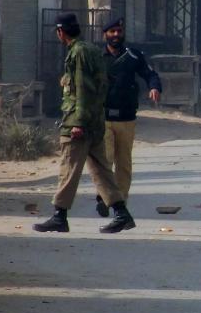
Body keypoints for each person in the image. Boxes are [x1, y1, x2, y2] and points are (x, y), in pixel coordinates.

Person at [33, 13, 137, 234]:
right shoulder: (90, 50)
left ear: (60, 32)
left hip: (79, 122)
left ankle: (59, 216)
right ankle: (121, 214)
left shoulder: (78, 52)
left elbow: (82, 89)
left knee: (69, 169)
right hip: (96, 121)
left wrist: (78, 123)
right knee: (102, 171)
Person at [94, 16, 163, 218]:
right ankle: (104, 197)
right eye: (112, 31)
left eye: (119, 31)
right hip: (103, 117)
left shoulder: (133, 56)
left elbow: (150, 74)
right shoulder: (96, 57)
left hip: (127, 119)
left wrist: (154, 88)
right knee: (105, 160)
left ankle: (119, 204)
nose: (116, 35)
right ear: (105, 34)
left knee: (123, 163)